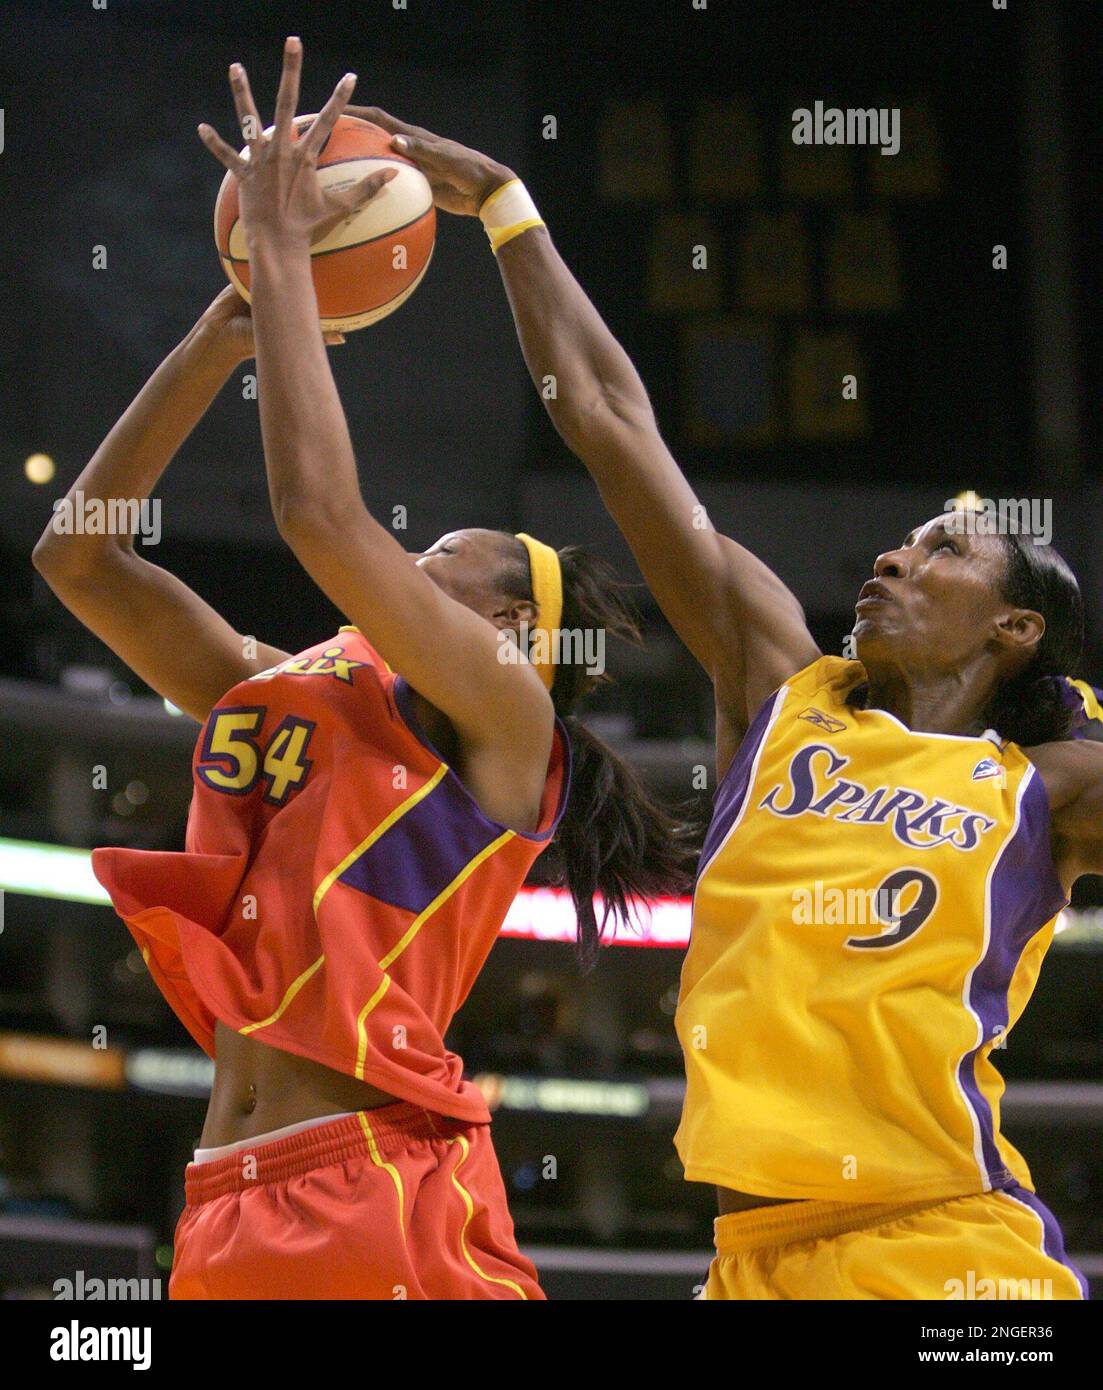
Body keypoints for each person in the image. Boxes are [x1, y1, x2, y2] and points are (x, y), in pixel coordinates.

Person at [364, 105, 1097, 1299]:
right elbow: (605, 420)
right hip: (747, 1258)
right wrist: (506, 207)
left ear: (1014, 631)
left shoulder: (1048, 786)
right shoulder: (778, 682)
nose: (893, 559)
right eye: (899, 541)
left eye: (942, 552)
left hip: (946, 1246)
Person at [32, 39, 689, 1300]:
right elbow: (82, 560)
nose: (410, 558)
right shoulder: (299, 691)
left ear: (512, 627)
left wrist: (284, 260)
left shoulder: (502, 715)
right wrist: (215, 341)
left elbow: (320, 516)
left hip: (377, 1182)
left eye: (445, 553)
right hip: (221, 1200)